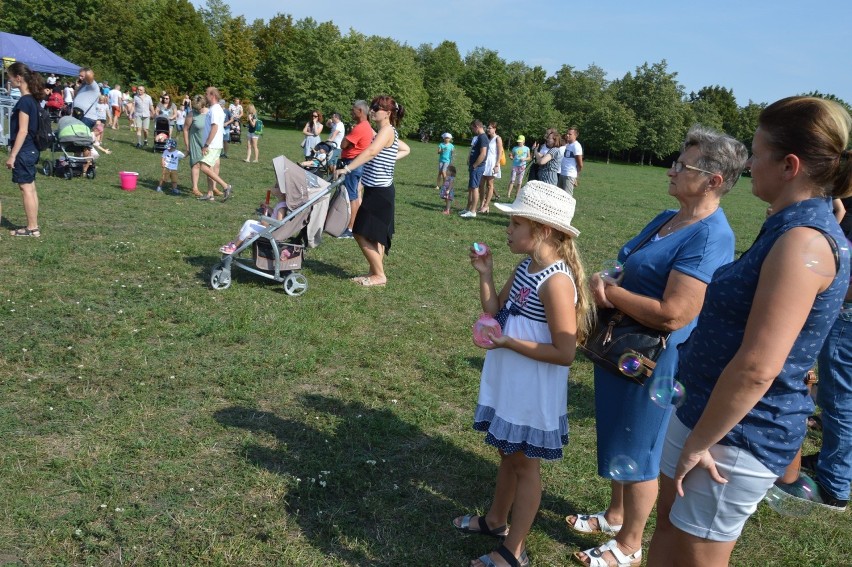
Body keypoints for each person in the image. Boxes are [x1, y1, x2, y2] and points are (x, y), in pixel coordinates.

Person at [646, 97, 852, 567]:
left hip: (736, 436)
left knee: (696, 555)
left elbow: (759, 366)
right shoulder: (787, 227)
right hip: (704, 412)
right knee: (668, 530)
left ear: (790, 165)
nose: (750, 164)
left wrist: (700, 441)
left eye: (757, 154)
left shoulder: (803, 241)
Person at [568, 125, 747, 567]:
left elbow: (676, 313)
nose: (670, 170)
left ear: (714, 180)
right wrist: (609, 278)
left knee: (642, 447)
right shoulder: (667, 218)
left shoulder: (711, 236)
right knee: (619, 433)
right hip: (623, 347)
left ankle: (629, 545)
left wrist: (608, 294)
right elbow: (628, 262)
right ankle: (615, 516)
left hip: (657, 360)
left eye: (681, 165)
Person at [452, 180, 593, 567]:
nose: (508, 230)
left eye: (515, 223)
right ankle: (497, 520)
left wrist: (508, 344)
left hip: (532, 386)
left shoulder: (557, 281)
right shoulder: (527, 265)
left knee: (524, 465)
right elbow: (496, 312)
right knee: (506, 453)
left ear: (542, 230)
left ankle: (514, 549)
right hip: (511, 378)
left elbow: (565, 353)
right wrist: (485, 272)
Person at [339, 95, 410, 287]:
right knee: (375, 236)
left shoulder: (386, 131)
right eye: (372, 107)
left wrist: (347, 168)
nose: (372, 110)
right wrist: (388, 159)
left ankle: (380, 275)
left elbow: (370, 152)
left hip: (380, 193)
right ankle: (374, 272)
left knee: (359, 232)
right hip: (377, 190)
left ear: (387, 113)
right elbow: (402, 149)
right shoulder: (385, 131)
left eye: (377, 108)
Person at [4, 62, 45, 237]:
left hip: (24, 150)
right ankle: (33, 226)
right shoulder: (33, 100)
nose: (9, 80)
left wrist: (12, 155)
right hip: (33, 150)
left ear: (18, 78)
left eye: (10, 76)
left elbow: (23, 130)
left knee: (26, 189)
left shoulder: (24, 101)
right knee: (31, 188)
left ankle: (32, 228)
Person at [337, 100, 374, 239]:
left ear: (360, 111)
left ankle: (351, 228)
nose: (351, 112)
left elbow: (343, 144)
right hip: (356, 163)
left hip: (352, 164)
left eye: (353, 110)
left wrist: (347, 139)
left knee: (352, 196)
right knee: (354, 195)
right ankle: (352, 226)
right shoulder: (365, 126)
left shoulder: (360, 127)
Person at [219, 184, 289, 255]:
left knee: (249, 228)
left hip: (271, 230)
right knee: (248, 221)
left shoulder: (282, 206)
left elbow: (279, 223)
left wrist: (266, 223)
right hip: (269, 228)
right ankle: (234, 242)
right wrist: (267, 207)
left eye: (275, 187)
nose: (272, 188)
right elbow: (275, 214)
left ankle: (234, 247)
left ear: (281, 192)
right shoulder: (281, 203)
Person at [199, 87, 233, 202]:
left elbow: (215, 127)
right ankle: (210, 193)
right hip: (215, 144)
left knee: (203, 167)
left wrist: (206, 144)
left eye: (206, 93)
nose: (205, 96)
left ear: (212, 95)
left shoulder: (214, 110)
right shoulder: (216, 108)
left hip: (212, 144)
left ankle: (225, 186)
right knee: (209, 168)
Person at [183, 94, 214, 199]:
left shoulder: (210, 113)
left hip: (207, 143)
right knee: (196, 165)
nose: (198, 110)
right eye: (196, 108)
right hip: (195, 142)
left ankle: (212, 188)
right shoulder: (192, 114)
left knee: (209, 166)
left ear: (204, 105)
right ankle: (195, 188)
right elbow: (186, 129)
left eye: (199, 108)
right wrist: (187, 145)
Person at [460, 120, 489, 218]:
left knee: (475, 188)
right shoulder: (479, 137)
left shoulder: (483, 138)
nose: (472, 130)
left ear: (477, 126)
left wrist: (475, 165)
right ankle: (468, 208)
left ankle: (473, 211)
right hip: (474, 167)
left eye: (472, 128)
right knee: (471, 188)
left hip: (477, 167)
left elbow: (483, 153)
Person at [478, 122, 504, 214]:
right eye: (488, 128)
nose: (488, 130)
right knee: (481, 185)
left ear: (495, 129)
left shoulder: (498, 138)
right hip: (484, 163)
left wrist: (497, 164)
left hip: (492, 163)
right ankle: (482, 203)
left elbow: (500, 152)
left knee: (489, 185)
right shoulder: (486, 138)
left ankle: (486, 205)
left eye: (490, 128)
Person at [559, 127, 584, 195]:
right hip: (562, 173)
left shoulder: (576, 146)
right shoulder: (568, 145)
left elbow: (580, 164)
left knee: (567, 198)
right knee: (559, 197)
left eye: (570, 134)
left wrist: (576, 177)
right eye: (567, 133)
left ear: (575, 135)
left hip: (569, 175)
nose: (567, 135)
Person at [507, 135, 530, 200]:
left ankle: (517, 194)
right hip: (515, 165)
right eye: (518, 142)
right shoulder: (515, 148)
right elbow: (512, 155)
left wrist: (524, 159)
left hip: (522, 166)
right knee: (512, 180)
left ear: (523, 141)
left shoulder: (527, 148)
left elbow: (529, 157)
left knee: (519, 181)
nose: (519, 143)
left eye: (520, 142)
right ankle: (508, 194)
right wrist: (511, 157)